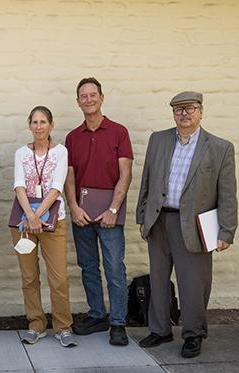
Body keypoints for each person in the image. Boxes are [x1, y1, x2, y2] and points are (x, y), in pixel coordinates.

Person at [136, 91, 237, 358]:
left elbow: (227, 193)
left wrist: (227, 231)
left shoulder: (219, 147)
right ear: (173, 114)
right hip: (159, 221)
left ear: (201, 112)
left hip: (194, 224)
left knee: (194, 283)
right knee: (158, 278)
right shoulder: (158, 140)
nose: (184, 114)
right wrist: (142, 216)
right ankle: (160, 329)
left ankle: (193, 334)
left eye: (190, 108)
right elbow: (147, 180)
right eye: (178, 109)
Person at [65, 77, 133, 346]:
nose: (89, 99)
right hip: (82, 213)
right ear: (78, 101)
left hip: (110, 215)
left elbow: (125, 174)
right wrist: (73, 207)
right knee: (89, 267)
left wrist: (113, 209)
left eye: (93, 95)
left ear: (102, 98)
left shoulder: (119, 132)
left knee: (115, 268)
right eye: (84, 96)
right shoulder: (72, 137)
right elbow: (69, 176)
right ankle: (97, 315)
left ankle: (118, 323)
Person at [10, 106, 77, 348]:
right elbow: (19, 185)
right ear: (30, 125)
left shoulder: (60, 152)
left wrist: (37, 215)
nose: (39, 126)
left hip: (53, 222)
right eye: (35, 122)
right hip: (23, 223)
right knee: (29, 277)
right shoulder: (21, 153)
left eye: (43, 122)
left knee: (58, 277)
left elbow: (57, 187)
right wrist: (30, 216)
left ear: (51, 125)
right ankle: (36, 325)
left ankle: (63, 327)